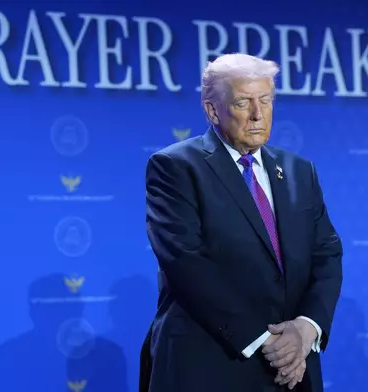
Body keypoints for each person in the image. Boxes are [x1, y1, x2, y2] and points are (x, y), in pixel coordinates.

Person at [140, 53, 343, 392]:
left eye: (265, 100)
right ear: (212, 110)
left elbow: (327, 255)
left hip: (292, 365)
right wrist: (267, 341)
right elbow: (186, 261)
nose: (257, 114)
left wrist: (307, 328)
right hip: (210, 363)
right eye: (242, 103)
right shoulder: (176, 167)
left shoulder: (298, 171)